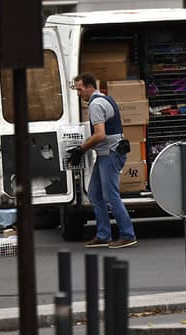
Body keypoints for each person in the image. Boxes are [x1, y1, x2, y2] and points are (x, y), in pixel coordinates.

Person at [68, 73, 138, 249]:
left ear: (90, 87)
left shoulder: (95, 104)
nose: (78, 93)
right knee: (94, 193)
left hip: (110, 154)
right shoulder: (105, 99)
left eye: (80, 89)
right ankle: (103, 235)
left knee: (110, 196)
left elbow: (100, 134)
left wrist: (81, 149)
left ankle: (128, 235)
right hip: (107, 153)